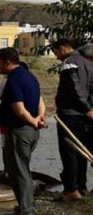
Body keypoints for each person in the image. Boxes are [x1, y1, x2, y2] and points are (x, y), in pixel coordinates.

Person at [0, 47, 45, 215]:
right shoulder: (31, 77)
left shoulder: (14, 80)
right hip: (30, 131)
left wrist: (33, 121)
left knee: (19, 172)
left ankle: (27, 210)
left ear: (8, 62)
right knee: (20, 169)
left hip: (19, 131)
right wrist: (39, 119)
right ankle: (25, 205)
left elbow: (20, 109)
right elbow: (41, 103)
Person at [52, 39, 93, 201]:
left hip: (70, 115)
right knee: (81, 151)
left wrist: (86, 108)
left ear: (62, 49)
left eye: (56, 53)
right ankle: (81, 186)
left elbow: (74, 87)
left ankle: (71, 190)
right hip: (83, 116)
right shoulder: (88, 63)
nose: (56, 57)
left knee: (69, 152)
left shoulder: (70, 62)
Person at [0, 61, 30, 180]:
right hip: (25, 121)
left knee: (7, 145)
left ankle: (9, 171)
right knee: (20, 146)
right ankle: (19, 172)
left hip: (9, 119)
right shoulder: (31, 81)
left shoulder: (8, 81)